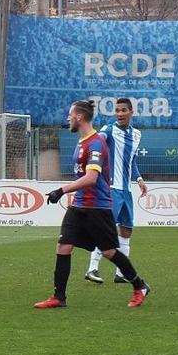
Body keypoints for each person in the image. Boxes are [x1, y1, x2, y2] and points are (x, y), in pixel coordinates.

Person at [35, 100, 150, 309]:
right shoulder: (82, 141)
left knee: (109, 251)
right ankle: (58, 297)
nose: (68, 118)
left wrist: (61, 191)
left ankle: (139, 285)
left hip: (98, 206)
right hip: (80, 205)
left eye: (70, 115)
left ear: (79, 117)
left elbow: (91, 178)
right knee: (63, 246)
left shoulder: (96, 142)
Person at [85, 98, 148, 284]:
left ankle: (121, 273)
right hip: (111, 188)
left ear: (131, 112)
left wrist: (139, 178)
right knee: (105, 230)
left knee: (127, 230)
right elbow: (98, 141)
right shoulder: (109, 130)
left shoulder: (137, 134)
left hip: (126, 190)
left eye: (123, 110)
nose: (119, 114)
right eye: (117, 111)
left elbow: (132, 160)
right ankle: (92, 268)